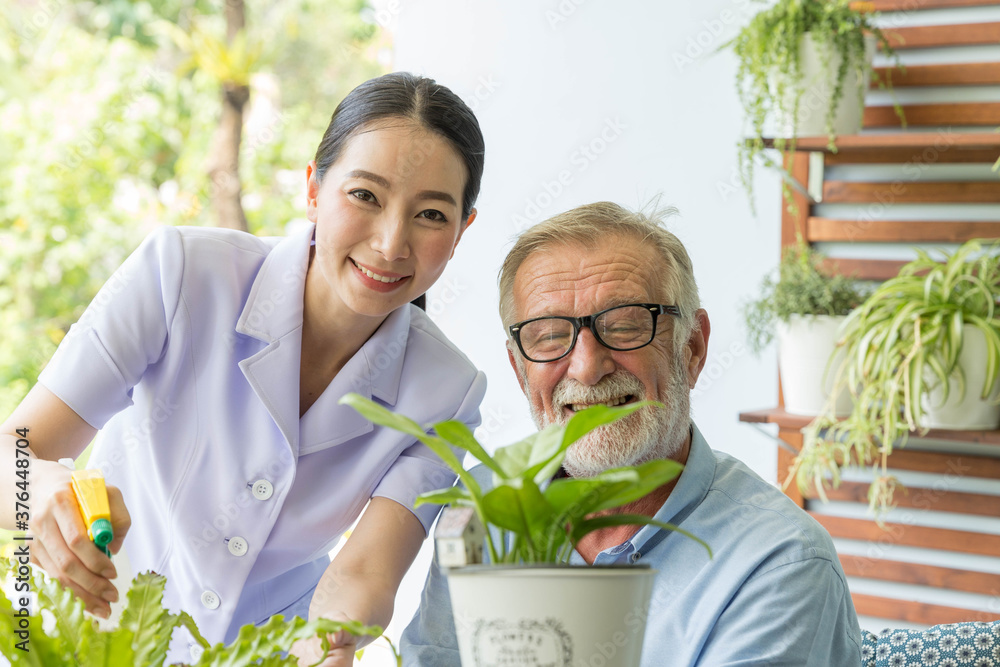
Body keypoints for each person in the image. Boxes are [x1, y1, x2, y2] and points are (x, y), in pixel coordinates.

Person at [0, 72, 487, 666]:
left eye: (431, 214)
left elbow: (365, 572)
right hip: (87, 643)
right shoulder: (180, 272)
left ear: (461, 231)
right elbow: (15, 451)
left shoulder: (448, 390)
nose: (391, 244)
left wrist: (330, 642)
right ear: (314, 189)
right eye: (365, 195)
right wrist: (40, 488)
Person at [401, 202, 862, 666]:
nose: (586, 368)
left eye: (624, 326)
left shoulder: (780, 562)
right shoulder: (482, 506)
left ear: (692, 348)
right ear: (520, 370)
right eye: (549, 335)